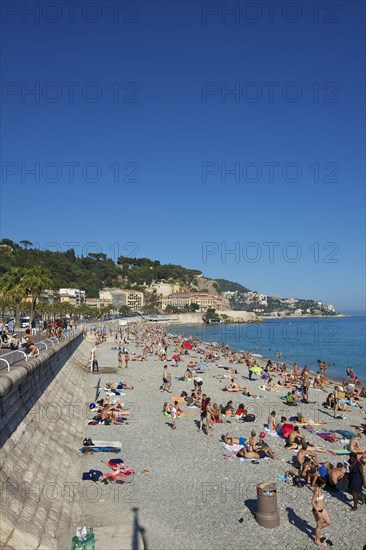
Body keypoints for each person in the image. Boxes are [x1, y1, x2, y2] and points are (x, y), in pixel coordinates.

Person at [311, 477, 331, 547]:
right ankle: (317, 540)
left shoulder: (320, 489)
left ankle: (317, 531)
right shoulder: (316, 490)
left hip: (323, 509)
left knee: (328, 522)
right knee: (319, 526)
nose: (325, 485)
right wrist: (318, 512)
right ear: (320, 483)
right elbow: (313, 502)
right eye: (324, 484)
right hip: (318, 510)